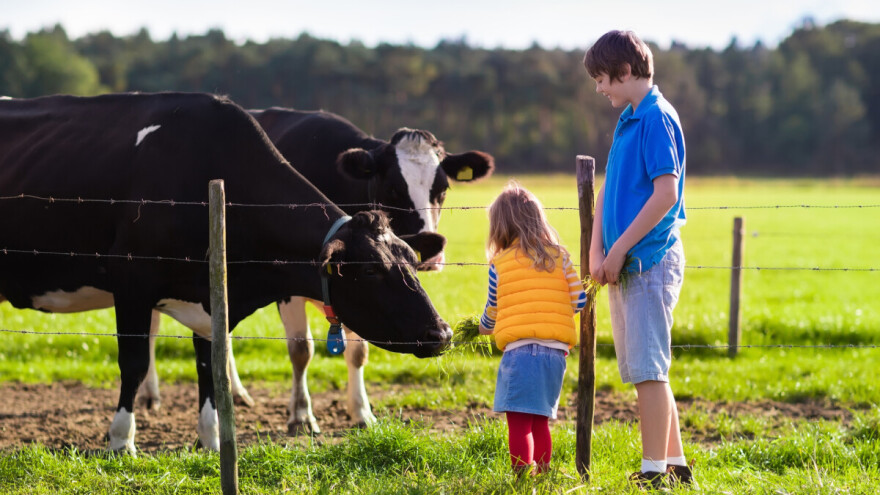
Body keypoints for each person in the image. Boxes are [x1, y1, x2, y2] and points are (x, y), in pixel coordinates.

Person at [583, 30, 693, 489]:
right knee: (645, 368)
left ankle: (653, 473)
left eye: (602, 78)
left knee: (649, 370)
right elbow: (610, 186)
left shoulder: (656, 118)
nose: (599, 88)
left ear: (626, 72)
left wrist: (622, 247)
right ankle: (676, 464)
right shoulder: (629, 118)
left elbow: (666, 193)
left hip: (649, 261)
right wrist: (596, 248)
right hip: (624, 262)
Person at [478, 181, 587, 475]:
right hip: (555, 354)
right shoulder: (560, 255)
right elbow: (579, 299)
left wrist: (483, 328)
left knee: (518, 422)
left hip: (519, 353)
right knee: (540, 420)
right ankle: (545, 472)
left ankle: (522, 478)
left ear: (499, 227)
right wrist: (554, 313)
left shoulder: (499, 264)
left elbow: (493, 308)